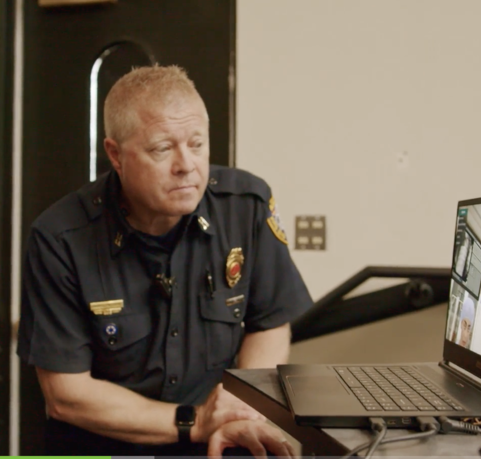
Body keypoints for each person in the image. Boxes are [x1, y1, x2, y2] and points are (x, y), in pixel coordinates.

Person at [17, 64, 313, 457]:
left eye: (197, 143)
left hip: (219, 441)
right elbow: (66, 395)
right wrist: (193, 421)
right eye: (162, 148)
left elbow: (269, 323)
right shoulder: (61, 238)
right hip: (107, 445)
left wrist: (242, 408)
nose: (186, 165)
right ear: (115, 155)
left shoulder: (245, 207)